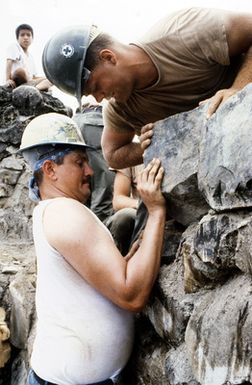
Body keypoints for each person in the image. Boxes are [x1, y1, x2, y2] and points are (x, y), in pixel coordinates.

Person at [19, 112, 166, 385]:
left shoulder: (49, 211)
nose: (89, 171)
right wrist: (156, 211)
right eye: (79, 162)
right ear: (50, 170)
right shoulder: (65, 213)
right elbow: (132, 295)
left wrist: (123, 264)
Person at [42, 7, 252, 169]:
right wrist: (150, 146)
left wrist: (238, 89)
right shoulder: (119, 108)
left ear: (108, 57)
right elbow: (113, 155)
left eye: (96, 87)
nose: (98, 99)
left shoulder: (186, 32)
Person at [73, 103, 115, 223]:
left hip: (76, 120)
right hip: (97, 119)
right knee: (103, 183)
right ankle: (99, 232)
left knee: (80, 182)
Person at [105, 164, 144, 256]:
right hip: (141, 211)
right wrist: (143, 205)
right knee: (123, 217)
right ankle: (114, 260)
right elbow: (118, 199)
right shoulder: (130, 154)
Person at [5, 24, 51, 91]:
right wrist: (8, 79)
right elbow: (9, 62)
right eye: (22, 35)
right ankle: (33, 89)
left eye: (28, 35)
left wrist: (46, 77)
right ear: (17, 38)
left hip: (28, 83)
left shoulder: (31, 57)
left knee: (52, 79)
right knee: (20, 72)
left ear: (32, 38)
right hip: (16, 82)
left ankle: (35, 89)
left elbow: (34, 77)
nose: (26, 37)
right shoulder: (14, 47)